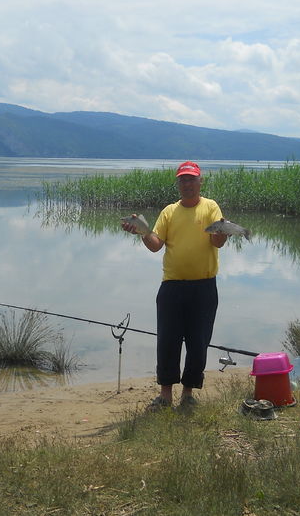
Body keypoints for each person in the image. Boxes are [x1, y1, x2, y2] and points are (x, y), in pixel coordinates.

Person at [122, 161, 227, 411]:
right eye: (183, 180)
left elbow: (218, 243)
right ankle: (165, 395)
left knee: (198, 342)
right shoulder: (169, 211)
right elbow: (156, 244)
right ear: (178, 183)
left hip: (204, 287)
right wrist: (142, 231)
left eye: (192, 179)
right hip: (171, 287)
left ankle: (188, 394)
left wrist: (223, 232)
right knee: (168, 341)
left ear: (200, 181)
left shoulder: (211, 207)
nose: (187, 184)